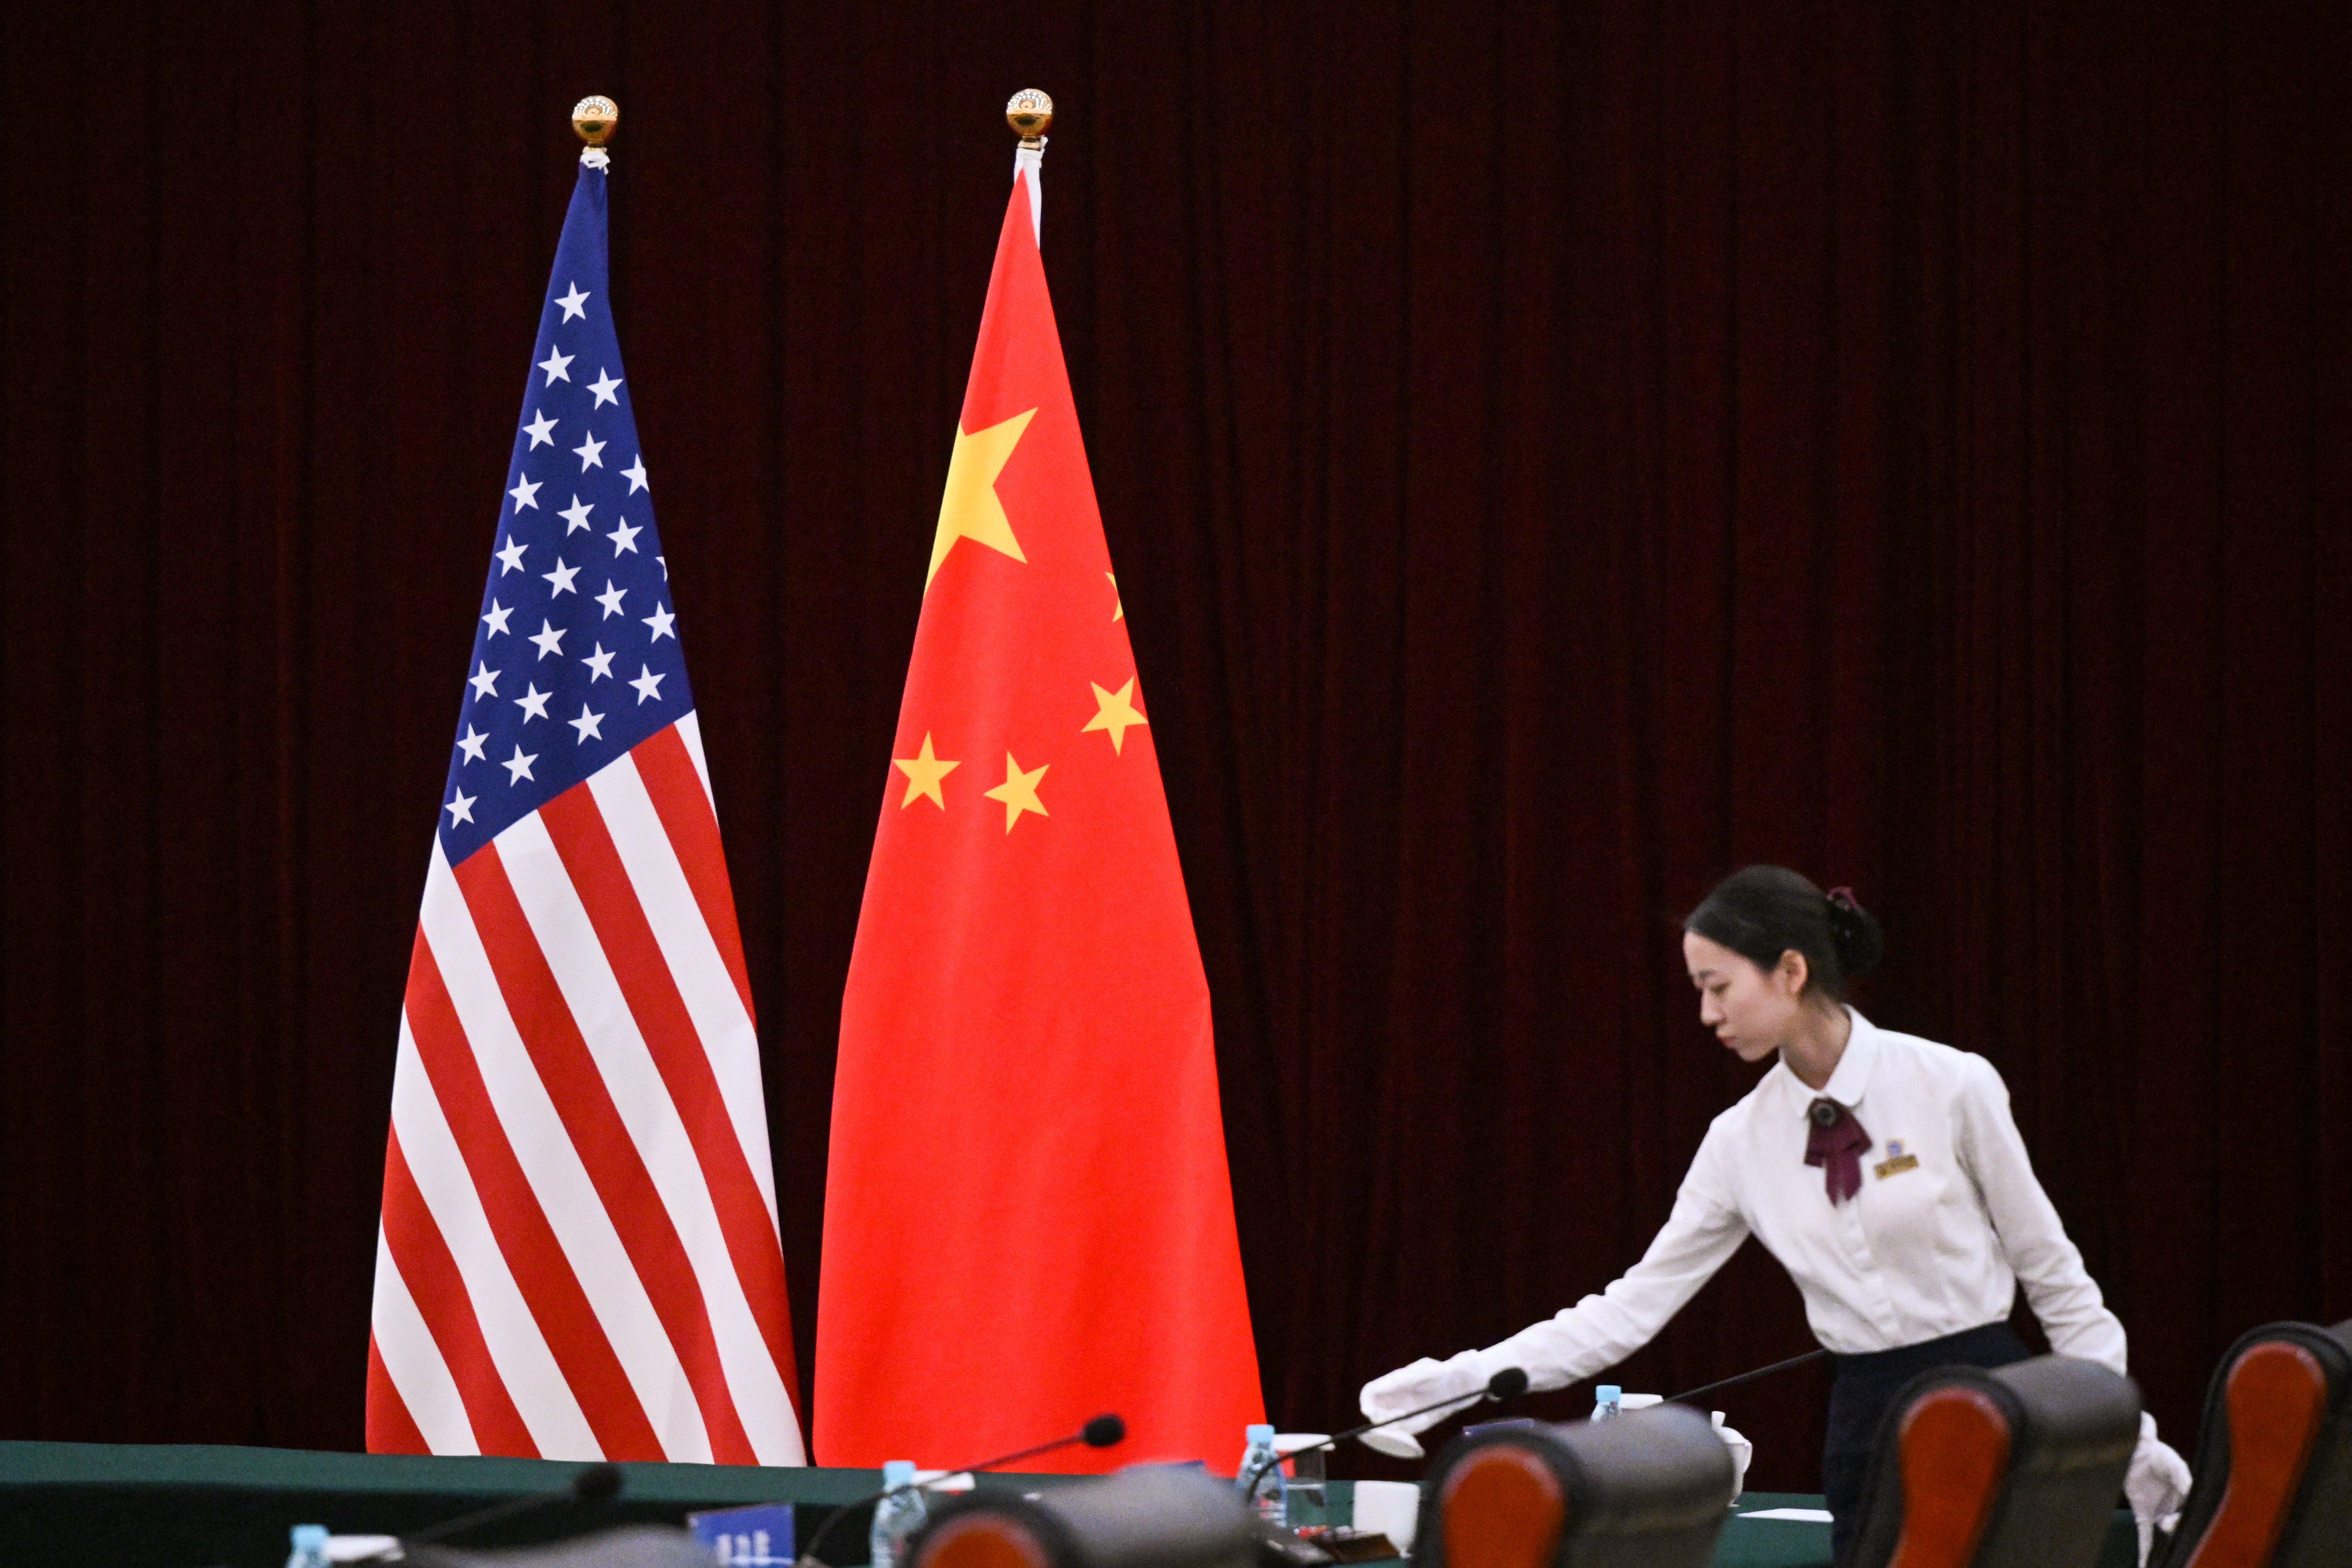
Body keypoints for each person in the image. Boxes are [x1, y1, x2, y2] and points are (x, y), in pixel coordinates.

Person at [1358, 866, 2191, 1565]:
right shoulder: (1738, 1141)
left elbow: (2055, 1275)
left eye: (1716, 986)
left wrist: (2124, 1424)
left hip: (1996, 1397)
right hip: (1866, 1421)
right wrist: (1469, 1373)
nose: (1705, 1014)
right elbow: (1628, 1307)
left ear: (1789, 970)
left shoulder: (1951, 1083)